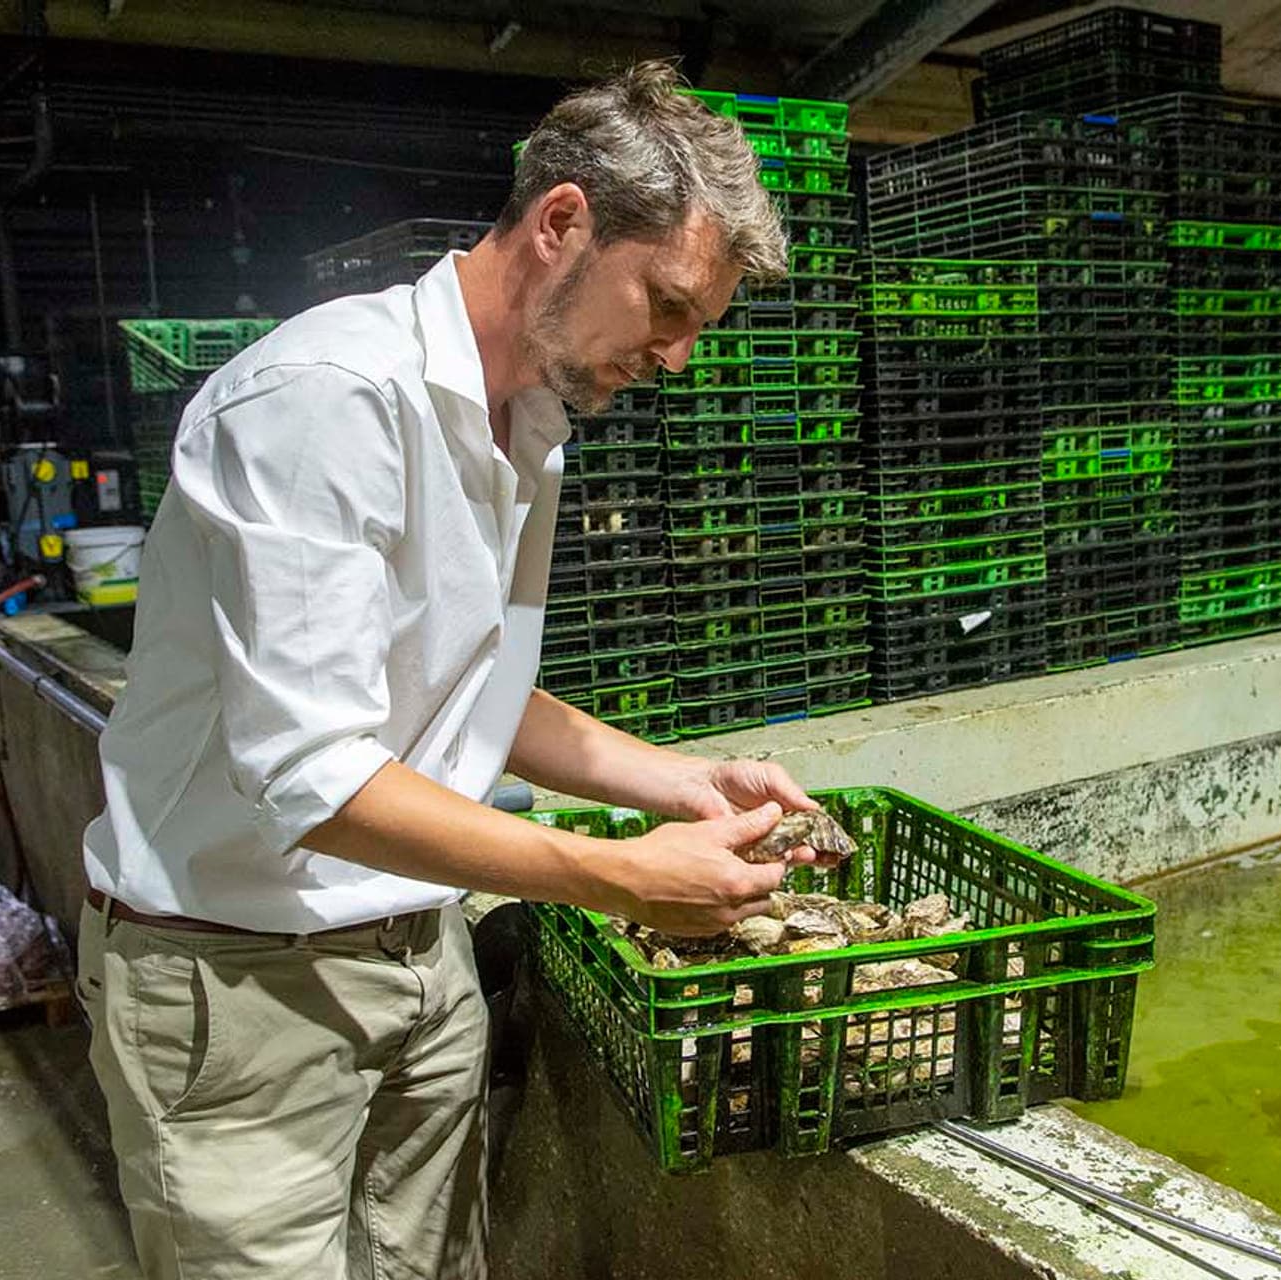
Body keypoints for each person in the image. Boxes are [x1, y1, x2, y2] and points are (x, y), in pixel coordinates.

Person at [76, 60, 811, 1280]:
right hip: (239, 977)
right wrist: (614, 877)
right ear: (563, 223)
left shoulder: (527, 423)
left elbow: (464, 684)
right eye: (667, 306)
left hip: (419, 952)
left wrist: (675, 783)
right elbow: (311, 771)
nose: (676, 356)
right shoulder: (325, 402)